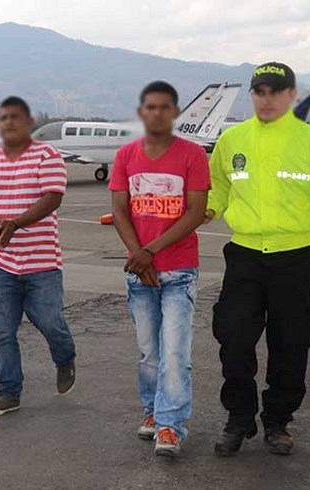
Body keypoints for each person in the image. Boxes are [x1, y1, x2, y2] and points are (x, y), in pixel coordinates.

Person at [205, 62, 310, 457]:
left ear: (292, 95)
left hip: (295, 257)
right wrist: (202, 210)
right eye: (259, 91)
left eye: (275, 91)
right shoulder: (231, 140)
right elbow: (217, 188)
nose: (266, 99)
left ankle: (278, 421)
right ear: (252, 95)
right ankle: (239, 418)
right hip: (245, 257)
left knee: (291, 343)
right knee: (233, 337)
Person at [109, 81, 210, 458]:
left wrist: (150, 251)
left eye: (165, 107)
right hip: (140, 273)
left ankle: (171, 425)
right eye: (150, 107)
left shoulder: (193, 155)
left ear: (176, 112)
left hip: (179, 271)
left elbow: (195, 212)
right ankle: (152, 411)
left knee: (175, 352)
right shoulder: (126, 156)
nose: (157, 113)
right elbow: (120, 210)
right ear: (141, 112)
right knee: (149, 353)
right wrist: (138, 255)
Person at [0, 96, 77, 416]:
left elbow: (52, 198)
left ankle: (65, 356)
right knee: (1, 330)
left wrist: (16, 223)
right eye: (3, 118)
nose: (9, 123)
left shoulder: (48, 155)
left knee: (49, 321)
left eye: (16, 117)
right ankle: (9, 392)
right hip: (1, 264)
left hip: (42, 263)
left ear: (29, 122)